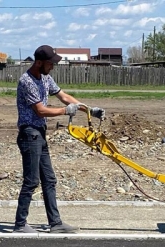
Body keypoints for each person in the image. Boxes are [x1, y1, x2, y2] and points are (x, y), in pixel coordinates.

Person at [14, 45, 105, 233]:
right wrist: (65, 112)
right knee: (31, 181)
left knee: (49, 179)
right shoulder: (27, 81)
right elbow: (40, 110)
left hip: (39, 133)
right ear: (39, 63)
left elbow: (63, 96)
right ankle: (20, 224)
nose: (53, 67)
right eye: (50, 63)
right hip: (29, 133)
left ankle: (55, 223)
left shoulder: (46, 77)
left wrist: (88, 109)